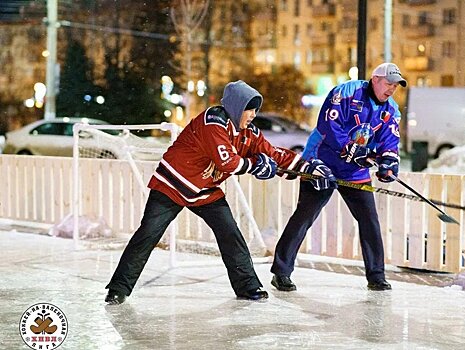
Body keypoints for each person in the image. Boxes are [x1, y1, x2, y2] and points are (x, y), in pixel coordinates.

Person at [105, 80, 335, 304]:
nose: (253, 115)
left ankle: (248, 286)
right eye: (249, 109)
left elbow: (273, 155)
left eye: (255, 110)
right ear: (236, 107)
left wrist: (309, 168)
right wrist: (255, 166)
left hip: (205, 189)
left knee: (230, 233)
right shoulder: (213, 121)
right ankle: (118, 288)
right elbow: (227, 161)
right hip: (173, 184)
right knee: (148, 234)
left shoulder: (248, 132)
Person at [270, 63, 406, 292]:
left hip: (354, 170)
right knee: (305, 216)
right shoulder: (346, 92)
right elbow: (328, 125)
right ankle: (281, 272)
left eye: (395, 85)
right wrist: (349, 148)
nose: (392, 89)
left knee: (369, 220)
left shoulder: (391, 110)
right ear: (375, 79)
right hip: (322, 163)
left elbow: (389, 141)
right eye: (388, 83)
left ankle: (376, 276)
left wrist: (389, 161)